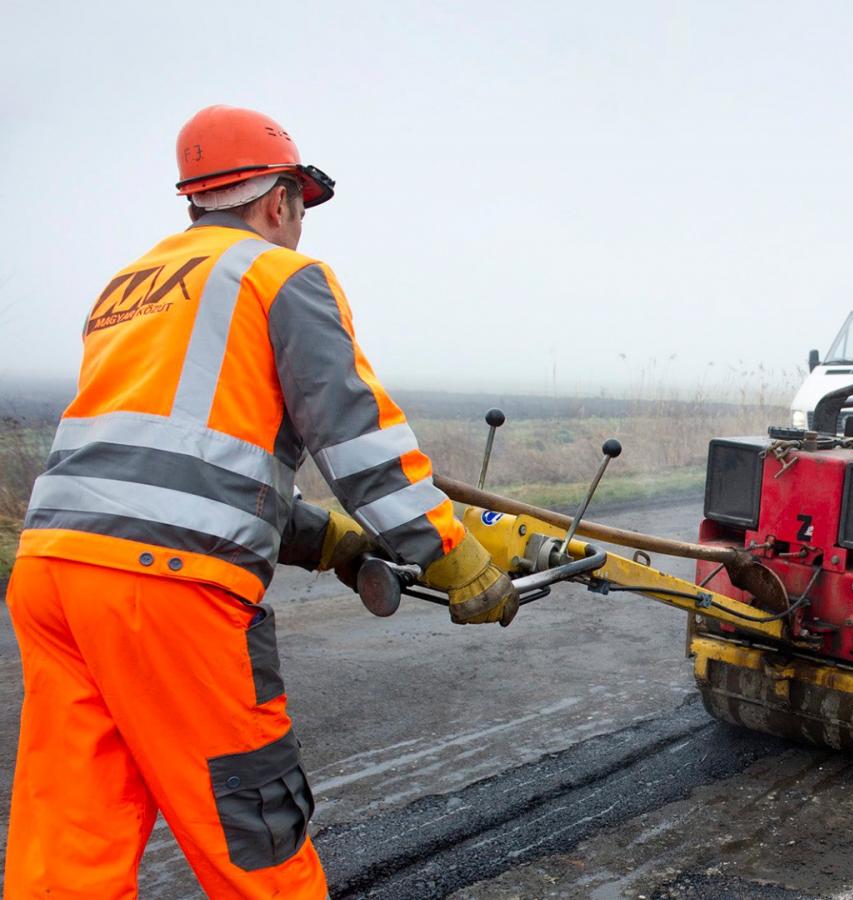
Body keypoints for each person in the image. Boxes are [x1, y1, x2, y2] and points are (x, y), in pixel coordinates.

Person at [4, 105, 517, 897]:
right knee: (252, 827)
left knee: (73, 829)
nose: (301, 225)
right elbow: (356, 438)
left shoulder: (130, 288)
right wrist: (452, 554)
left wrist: (333, 544)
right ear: (279, 199)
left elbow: (175, 469)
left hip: (53, 574)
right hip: (164, 588)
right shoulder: (279, 275)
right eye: (301, 208)